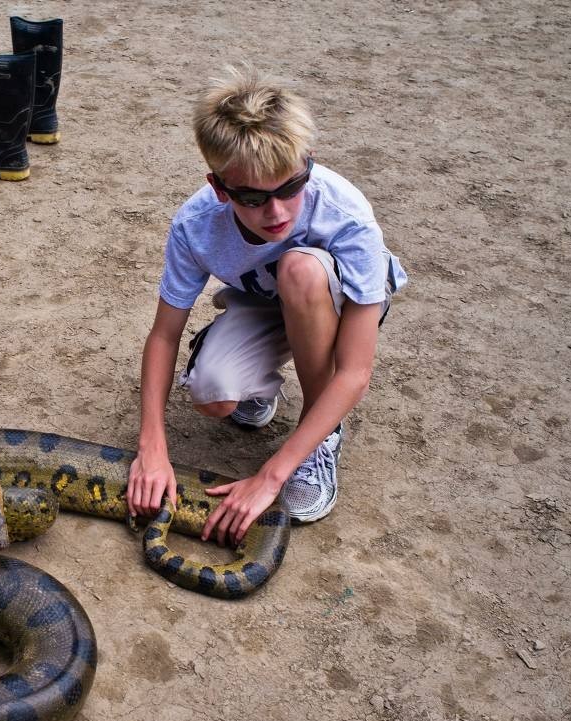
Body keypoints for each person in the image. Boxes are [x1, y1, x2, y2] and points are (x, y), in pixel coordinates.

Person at [126, 66, 408, 544]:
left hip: (331, 302)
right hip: (265, 302)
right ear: (219, 187)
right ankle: (260, 386)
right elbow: (164, 334)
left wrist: (272, 475)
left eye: (290, 189)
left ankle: (319, 436)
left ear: (308, 164)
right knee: (213, 394)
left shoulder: (347, 216)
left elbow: (356, 371)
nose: (276, 213)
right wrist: (152, 445)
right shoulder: (196, 223)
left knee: (300, 269)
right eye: (253, 198)